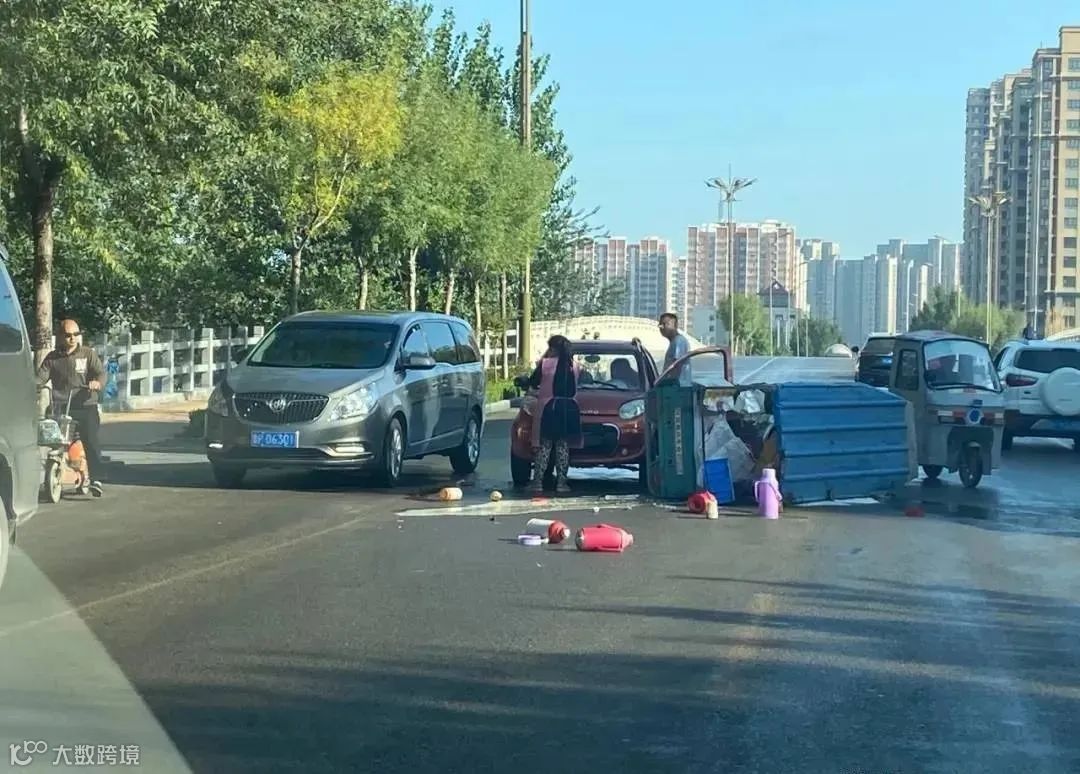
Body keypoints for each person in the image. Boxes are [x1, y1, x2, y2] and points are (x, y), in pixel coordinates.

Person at [37, 319, 105, 497]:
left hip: (85, 405)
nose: (72, 338)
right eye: (68, 335)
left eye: (76, 334)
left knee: (91, 441)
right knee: (56, 440)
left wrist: (97, 383)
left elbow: (100, 373)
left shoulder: (87, 354)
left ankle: (96, 479)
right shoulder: (52, 358)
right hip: (61, 407)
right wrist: (32, 386)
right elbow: (40, 378)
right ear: (60, 336)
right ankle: (58, 469)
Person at [527, 335, 582, 494]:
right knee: (563, 446)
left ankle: (538, 482)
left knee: (545, 446)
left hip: (549, 408)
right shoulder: (575, 366)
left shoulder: (546, 364)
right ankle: (561, 483)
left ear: (553, 349)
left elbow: (533, 382)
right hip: (569, 409)